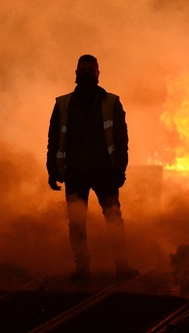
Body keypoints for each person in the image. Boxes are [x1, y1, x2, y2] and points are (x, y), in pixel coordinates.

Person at [46, 54, 138, 281]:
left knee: (114, 219)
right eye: (83, 70)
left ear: (98, 73)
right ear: (76, 73)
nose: (86, 73)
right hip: (76, 172)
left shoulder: (112, 103)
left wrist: (119, 170)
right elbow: (53, 139)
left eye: (90, 70)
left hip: (104, 172)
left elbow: (121, 140)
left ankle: (122, 266)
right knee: (77, 223)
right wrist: (52, 170)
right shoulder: (62, 104)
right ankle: (83, 269)